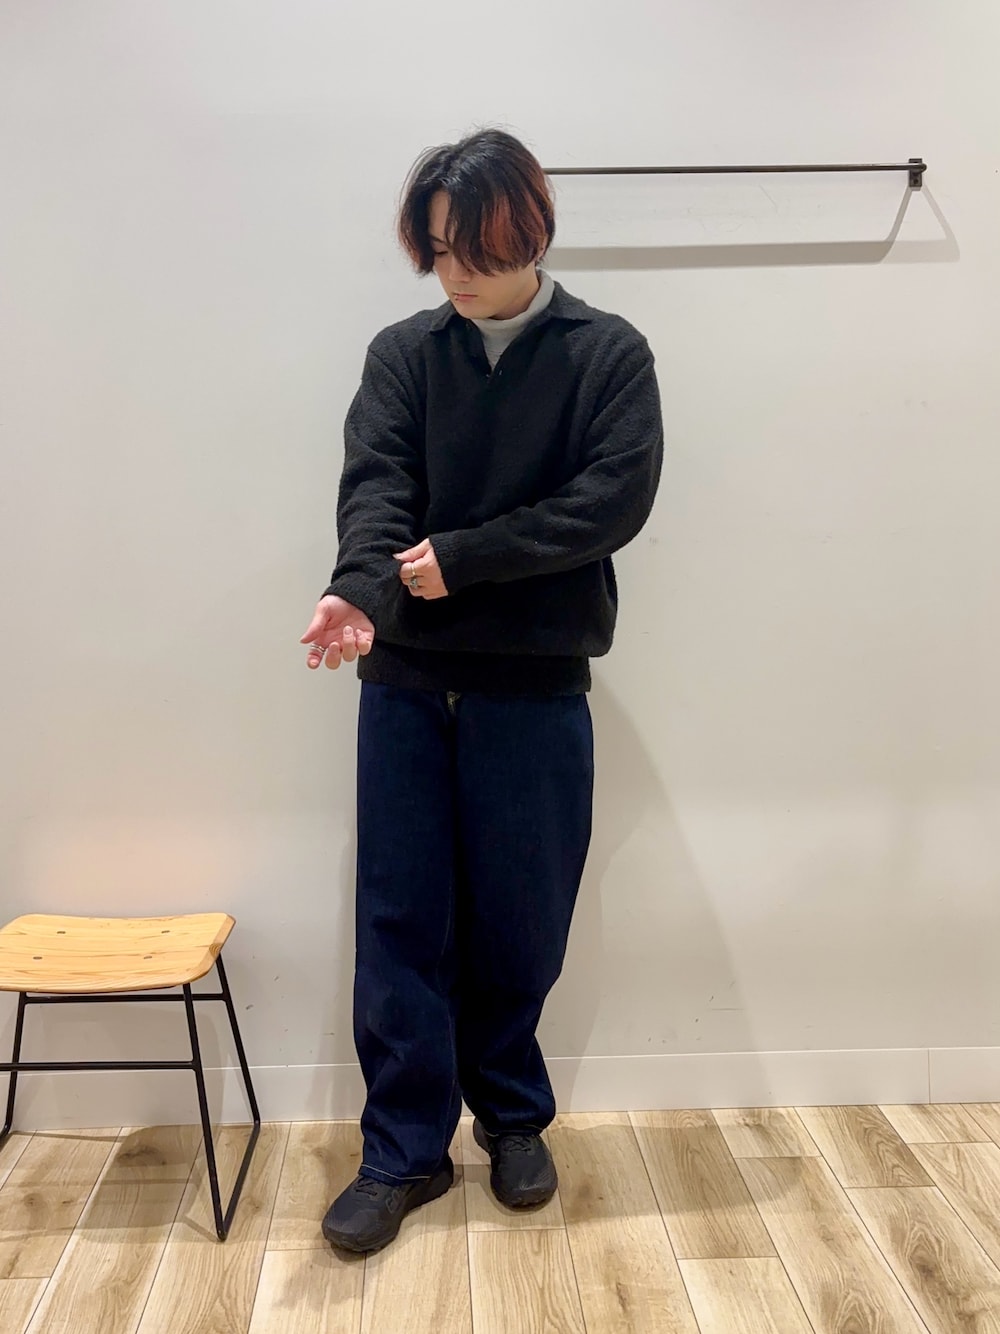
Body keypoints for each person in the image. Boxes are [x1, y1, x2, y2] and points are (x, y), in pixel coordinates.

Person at [300, 128, 663, 1254]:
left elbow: (610, 502)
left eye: (475, 250)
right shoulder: (406, 355)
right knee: (400, 918)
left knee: (522, 915)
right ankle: (402, 1149)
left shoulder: (606, 355)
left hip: (534, 685)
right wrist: (357, 589)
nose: (453, 273)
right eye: (438, 249)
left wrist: (467, 557)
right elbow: (376, 486)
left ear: (531, 233)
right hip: (407, 682)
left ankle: (510, 1117)